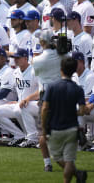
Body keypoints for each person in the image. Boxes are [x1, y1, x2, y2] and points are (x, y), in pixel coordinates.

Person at [41, 56, 87, 183]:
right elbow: (82, 111)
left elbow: (44, 108)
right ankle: (76, 175)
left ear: (60, 69)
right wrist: (73, 112)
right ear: (74, 71)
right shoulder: (78, 89)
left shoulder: (52, 86)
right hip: (72, 129)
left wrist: (44, 128)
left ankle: (77, 174)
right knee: (69, 160)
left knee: (56, 157)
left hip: (56, 128)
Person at [0, 48, 39, 147]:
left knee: (21, 108)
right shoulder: (15, 72)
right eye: (14, 58)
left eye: (18, 58)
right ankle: (19, 135)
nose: (16, 60)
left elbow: (42, 91)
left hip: (36, 104)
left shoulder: (35, 71)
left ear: (26, 58)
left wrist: (28, 99)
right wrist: (15, 101)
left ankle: (32, 138)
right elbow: (14, 91)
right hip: (21, 104)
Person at [32, 29, 63, 172]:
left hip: (46, 97)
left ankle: (47, 163)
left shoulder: (38, 60)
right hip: (61, 95)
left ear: (43, 42)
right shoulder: (63, 56)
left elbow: (36, 73)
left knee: (43, 132)